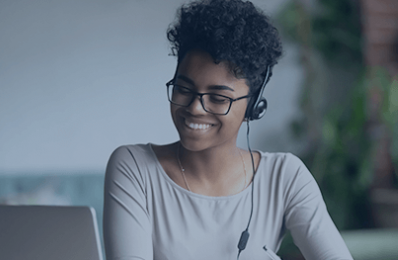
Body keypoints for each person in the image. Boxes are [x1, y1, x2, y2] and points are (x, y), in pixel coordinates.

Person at [103, 0, 353, 259]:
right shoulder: (134, 168)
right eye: (184, 88)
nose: (195, 108)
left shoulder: (285, 177)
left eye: (218, 98)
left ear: (253, 106)